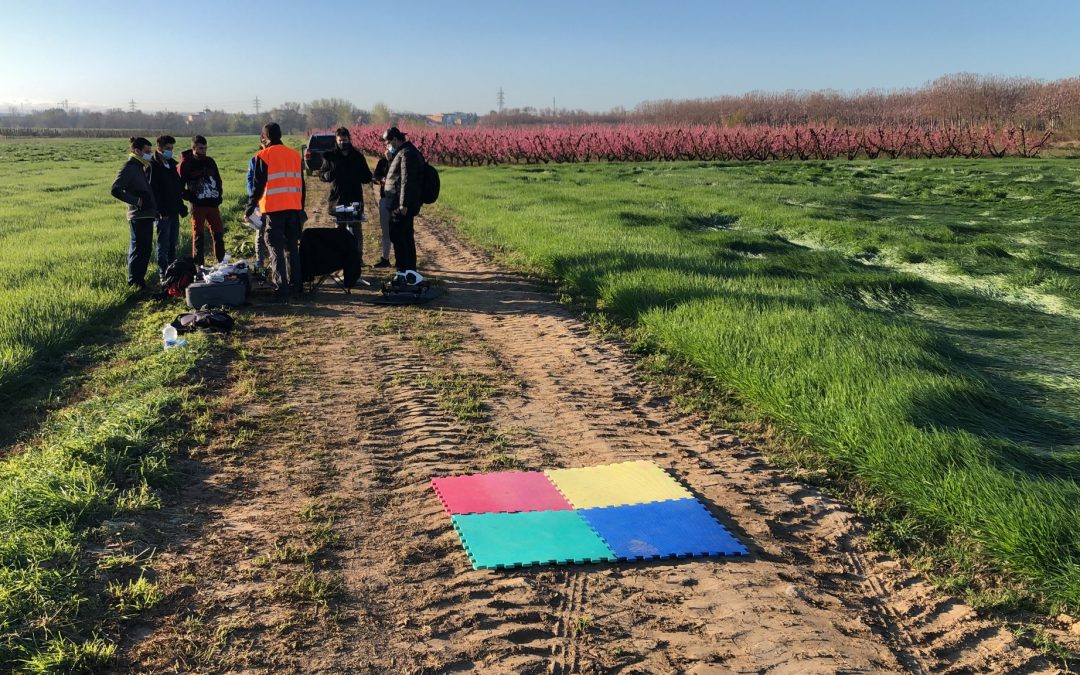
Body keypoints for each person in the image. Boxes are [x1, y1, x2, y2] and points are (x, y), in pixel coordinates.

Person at [246, 122, 306, 300]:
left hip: (273, 210)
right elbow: (302, 185)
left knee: (275, 249)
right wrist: (301, 207)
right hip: (294, 209)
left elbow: (257, 186)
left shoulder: (263, 156)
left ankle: (281, 289)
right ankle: (297, 286)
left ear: (265, 137)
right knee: (292, 249)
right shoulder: (295, 155)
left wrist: (249, 208)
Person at [110, 137, 158, 291]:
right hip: (138, 216)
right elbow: (115, 189)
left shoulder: (140, 167)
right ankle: (134, 284)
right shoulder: (130, 167)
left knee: (145, 249)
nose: (149, 155)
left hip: (147, 215)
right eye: (147, 152)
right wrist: (137, 201)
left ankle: (140, 282)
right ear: (137, 151)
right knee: (138, 250)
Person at [318, 126, 372, 261]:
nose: (343, 142)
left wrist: (359, 175)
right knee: (339, 230)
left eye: (345, 140)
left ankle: (357, 257)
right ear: (336, 141)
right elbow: (321, 175)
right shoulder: (330, 156)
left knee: (356, 229)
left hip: (354, 198)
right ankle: (340, 257)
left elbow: (367, 176)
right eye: (340, 140)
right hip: (338, 199)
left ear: (349, 139)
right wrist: (329, 174)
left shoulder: (357, 156)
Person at [381, 126, 425, 275]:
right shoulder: (404, 152)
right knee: (405, 236)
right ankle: (409, 272)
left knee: (399, 237)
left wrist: (403, 204)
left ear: (394, 139)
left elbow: (406, 180)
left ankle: (403, 271)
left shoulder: (406, 153)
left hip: (400, 206)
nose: (387, 146)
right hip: (400, 204)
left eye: (388, 142)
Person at [179, 135, 225, 264]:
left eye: (205, 148)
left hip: (213, 204)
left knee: (219, 233)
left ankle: (221, 262)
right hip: (197, 206)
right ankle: (198, 266)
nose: (203, 151)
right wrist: (190, 197)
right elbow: (180, 185)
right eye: (200, 148)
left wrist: (219, 195)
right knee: (198, 236)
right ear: (193, 148)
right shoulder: (186, 164)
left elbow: (218, 180)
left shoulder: (210, 161)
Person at [150, 135, 188, 281]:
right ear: (159, 147)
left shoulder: (172, 164)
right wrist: (160, 211)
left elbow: (176, 188)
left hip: (173, 211)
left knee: (173, 242)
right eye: (167, 148)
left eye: (171, 149)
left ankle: (173, 271)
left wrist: (181, 206)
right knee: (163, 244)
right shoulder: (153, 166)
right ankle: (163, 273)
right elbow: (154, 191)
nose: (170, 151)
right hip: (162, 214)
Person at [245, 140, 270, 275]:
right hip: (260, 203)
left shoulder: (275, 158)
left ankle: (274, 266)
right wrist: (254, 201)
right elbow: (250, 182)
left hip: (274, 203)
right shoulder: (255, 160)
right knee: (260, 235)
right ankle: (260, 268)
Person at [371, 149, 393, 268]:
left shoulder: (400, 159)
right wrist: (380, 179)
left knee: (398, 231)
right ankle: (385, 258)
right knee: (385, 231)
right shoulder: (382, 162)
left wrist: (391, 160)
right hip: (385, 198)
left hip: (397, 201)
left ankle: (402, 259)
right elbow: (375, 176)